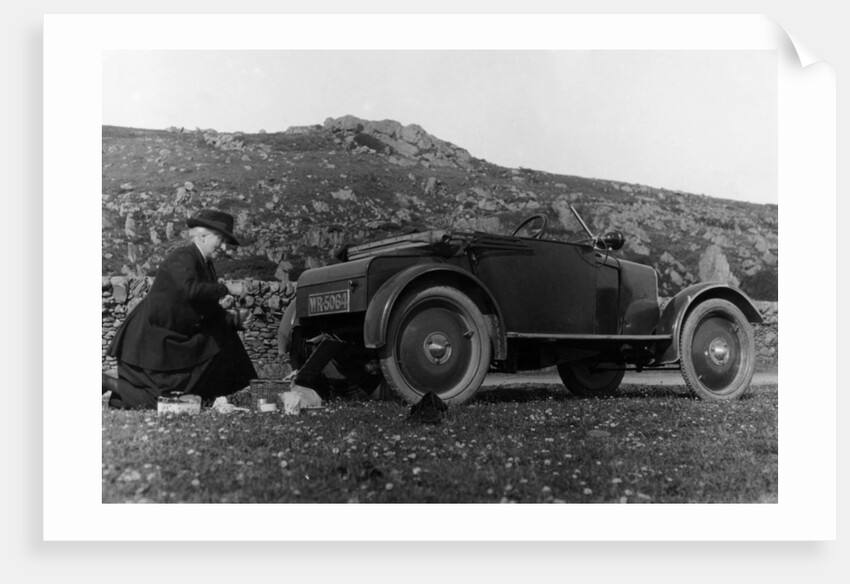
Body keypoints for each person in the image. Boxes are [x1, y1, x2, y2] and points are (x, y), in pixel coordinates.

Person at [105, 209, 257, 409]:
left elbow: (208, 310)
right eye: (219, 240)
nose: (222, 247)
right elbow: (189, 290)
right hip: (148, 341)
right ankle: (104, 382)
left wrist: (234, 320)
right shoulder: (182, 256)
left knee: (219, 340)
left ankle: (241, 388)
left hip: (168, 342)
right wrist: (227, 288)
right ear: (202, 237)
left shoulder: (206, 266)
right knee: (161, 402)